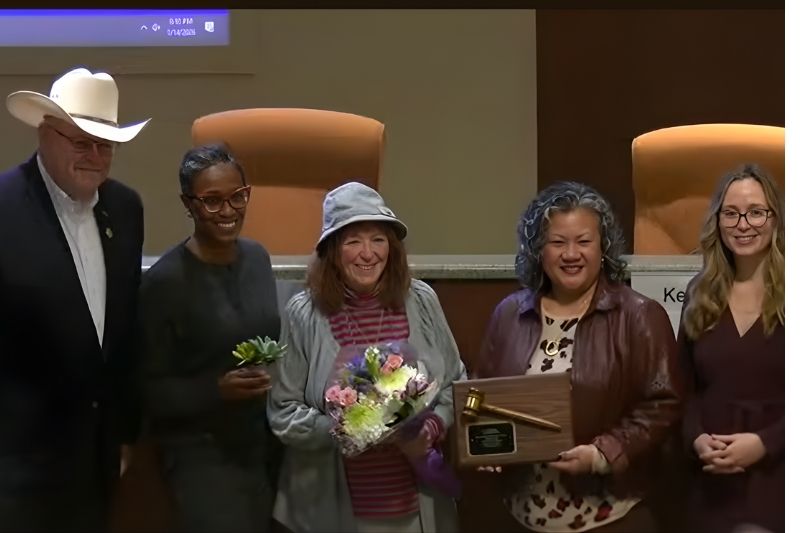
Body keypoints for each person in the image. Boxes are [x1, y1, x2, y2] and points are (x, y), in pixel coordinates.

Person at [473, 181, 682, 533]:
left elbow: (663, 404)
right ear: (539, 250)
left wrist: (604, 453)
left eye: (584, 241)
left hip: (609, 516)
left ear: (604, 248)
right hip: (520, 515)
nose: (571, 254)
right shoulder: (509, 313)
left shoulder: (639, 315)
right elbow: (480, 393)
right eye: (558, 242)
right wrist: (482, 442)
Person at [267, 182, 466, 533]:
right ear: (332, 249)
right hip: (333, 509)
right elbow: (283, 412)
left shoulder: (421, 300)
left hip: (414, 503)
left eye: (378, 238)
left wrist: (432, 427)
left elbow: (455, 382)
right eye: (352, 240)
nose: (367, 253)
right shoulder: (303, 313)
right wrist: (348, 430)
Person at [0, 67, 150, 531]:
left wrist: (123, 435)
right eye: (80, 141)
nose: (95, 157)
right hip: (17, 467)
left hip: (96, 461)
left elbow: (122, 328)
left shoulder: (125, 209)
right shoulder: (4, 207)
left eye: (105, 145)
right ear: (46, 133)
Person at [138, 144, 283, 532]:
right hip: (202, 454)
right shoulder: (164, 283)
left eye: (238, 196)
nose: (229, 211)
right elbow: (144, 391)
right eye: (212, 201)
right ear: (189, 204)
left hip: (265, 442)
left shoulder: (257, 259)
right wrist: (215, 390)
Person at [678, 164, 784, 533]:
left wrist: (765, 444)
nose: (743, 224)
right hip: (712, 482)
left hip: (780, 480)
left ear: (776, 219)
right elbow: (684, 388)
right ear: (717, 222)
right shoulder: (700, 292)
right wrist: (696, 439)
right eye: (731, 213)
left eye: (756, 212)